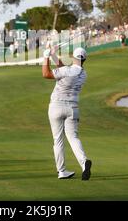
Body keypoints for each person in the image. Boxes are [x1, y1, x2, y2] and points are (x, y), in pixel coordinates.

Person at [42, 46, 92, 180]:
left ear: (73, 57)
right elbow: (65, 69)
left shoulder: (66, 70)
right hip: (73, 108)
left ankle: (62, 171)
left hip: (56, 107)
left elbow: (46, 74)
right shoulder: (83, 74)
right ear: (84, 59)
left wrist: (46, 56)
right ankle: (83, 163)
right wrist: (53, 55)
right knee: (73, 137)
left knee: (58, 140)